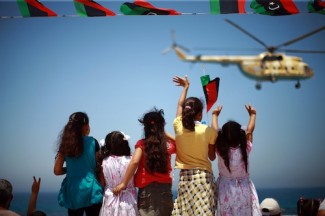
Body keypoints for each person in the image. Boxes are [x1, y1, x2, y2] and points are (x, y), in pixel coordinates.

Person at [171, 75, 220, 216]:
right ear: (199, 114)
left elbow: (180, 105)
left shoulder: (178, 126)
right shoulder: (208, 131)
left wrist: (186, 87)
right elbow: (212, 157)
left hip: (185, 178)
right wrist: (215, 117)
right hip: (203, 178)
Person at [113, 107, 176, 216]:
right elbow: (180, 143)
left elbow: (134, 162)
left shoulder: (141, 144)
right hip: (165, 189)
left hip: (146, 191)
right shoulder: (168, 145)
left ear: (145, 127)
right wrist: (164, 133)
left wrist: (124, 183)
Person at [215, 104, 261, 216]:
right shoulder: (245, 149)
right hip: (244, 190)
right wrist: (253, 115)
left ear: (223, 137)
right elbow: (249, 132)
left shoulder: (221, 151)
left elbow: (215, 131)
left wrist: (215, 116)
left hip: (225, 191)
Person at [54, 112, 103, 216]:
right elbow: (97, 165)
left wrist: (70, 169)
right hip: (91, 188)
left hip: (73, 190)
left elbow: (57, 171)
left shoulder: (65, 145)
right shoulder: (93, 142)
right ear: (86, 126)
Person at [99, 131, 139, 216]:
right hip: (129, 201)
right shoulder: (131, 160)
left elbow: (102, 183)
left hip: (110, 200)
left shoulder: (105, 161)